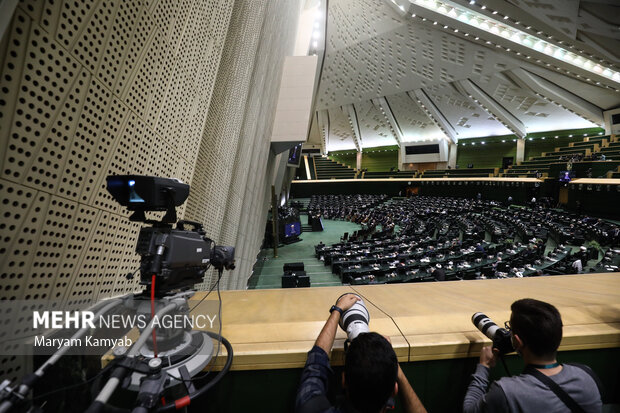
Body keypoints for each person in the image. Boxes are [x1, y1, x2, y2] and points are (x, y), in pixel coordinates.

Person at [463, 298, 602, 413]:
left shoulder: (506, 392)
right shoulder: (586, 375)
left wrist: (484, 366)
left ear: (517, 342)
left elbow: (469, 410)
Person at [295, 294, 427, 413]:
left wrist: (337, 310)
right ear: (395, 390)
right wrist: (389, 360)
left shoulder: (308, 408)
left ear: (343, 380)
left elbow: (316, 362)